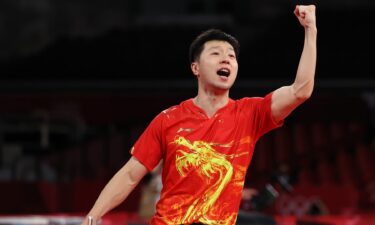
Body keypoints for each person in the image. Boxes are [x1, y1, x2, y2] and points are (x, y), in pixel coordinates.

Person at [81, 4, 317, 225]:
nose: (226, 58)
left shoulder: (250, 113)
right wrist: (91, 218)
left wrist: (310, 30)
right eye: (216, 53)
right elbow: (130, 175)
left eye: (232, 56)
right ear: (196, 68)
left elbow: (301, 90)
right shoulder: (168, 119)